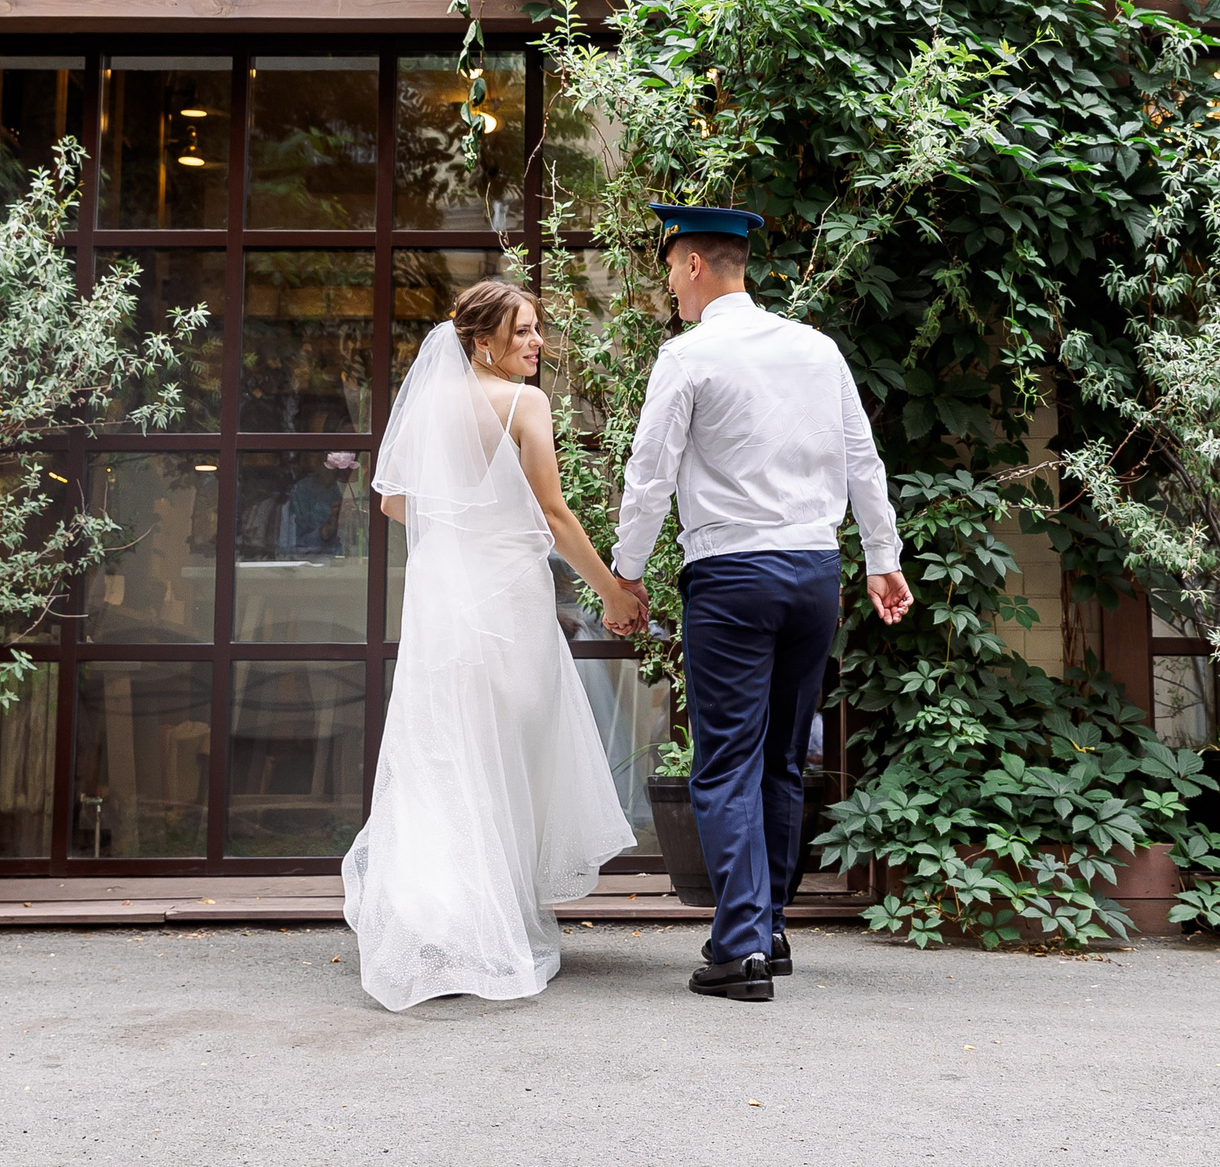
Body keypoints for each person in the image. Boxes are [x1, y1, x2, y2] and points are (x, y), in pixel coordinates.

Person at [613, 204, 911, 1003]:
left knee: (725, 761)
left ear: (699, 266)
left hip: (732, 577)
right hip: (815, 571)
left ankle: (741, 945)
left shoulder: (687, 356)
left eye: (673, 268)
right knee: (782, 756)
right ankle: (768, 926)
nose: (670, 283)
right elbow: (863, 461)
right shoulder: (817, 350)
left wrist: (626, 573)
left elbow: (650, 475)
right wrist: (881, 558)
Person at [341, 279, 645, 1011]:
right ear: (482, 342)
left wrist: (459, 527)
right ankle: (486, 920)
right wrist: (610, 589)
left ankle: (434, 922)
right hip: (506, 599)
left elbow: (391, 501)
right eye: (522, 334)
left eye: (537, 331)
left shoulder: (432, 403)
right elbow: (553, 510)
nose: (537, 344)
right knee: (503, 750)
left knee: (448, 747)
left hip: (445, 602)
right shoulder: (524, 404)